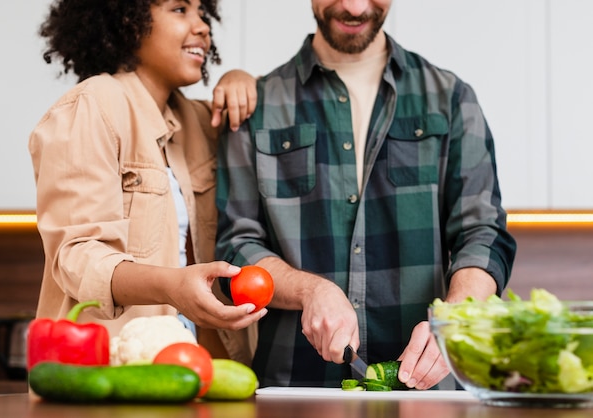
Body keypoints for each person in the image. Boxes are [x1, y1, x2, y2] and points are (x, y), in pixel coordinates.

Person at [215, 0, 517, 388]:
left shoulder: (451, 98)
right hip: (295, 386)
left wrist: (456, 320)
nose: (354, 7)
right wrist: (310, 290)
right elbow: (236, 249)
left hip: (431, 392)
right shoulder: (255, 106)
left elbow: (483, 233)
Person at [28, 0, 263, 363]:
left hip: (197, 370)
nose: (202, 26)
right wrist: (172, 287)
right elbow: (78, 256)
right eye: (180, 9)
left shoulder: (200, 121)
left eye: (202, 12)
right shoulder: (91, 107)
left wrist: (240, 79)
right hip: (107, 372)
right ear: (128, 19)